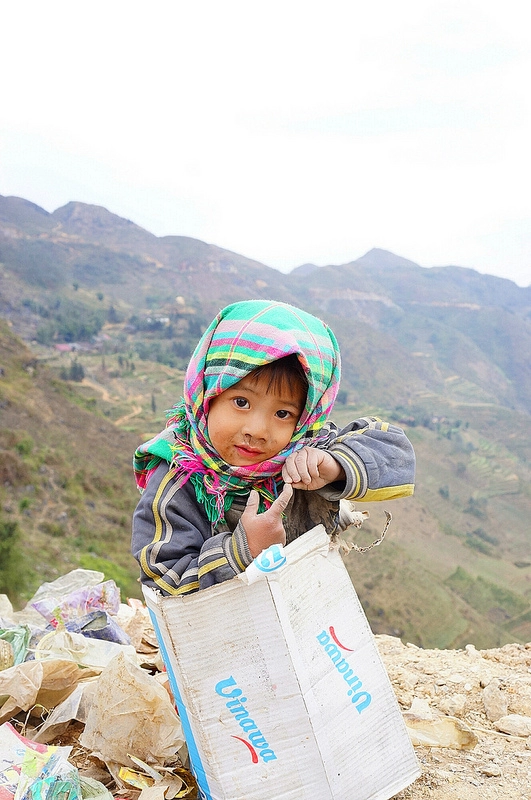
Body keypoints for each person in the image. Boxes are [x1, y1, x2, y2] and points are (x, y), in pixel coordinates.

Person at [131, 299, 415, 595]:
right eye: (241, 402)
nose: (257, 431)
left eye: (283, 414)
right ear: (207, 392)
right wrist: (243, 551)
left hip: (302, 612)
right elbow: (163, 578)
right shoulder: (178, 479)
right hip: (221, 632)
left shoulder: (303, 447)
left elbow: (397, 456)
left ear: (305, 417)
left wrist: (334, 466)